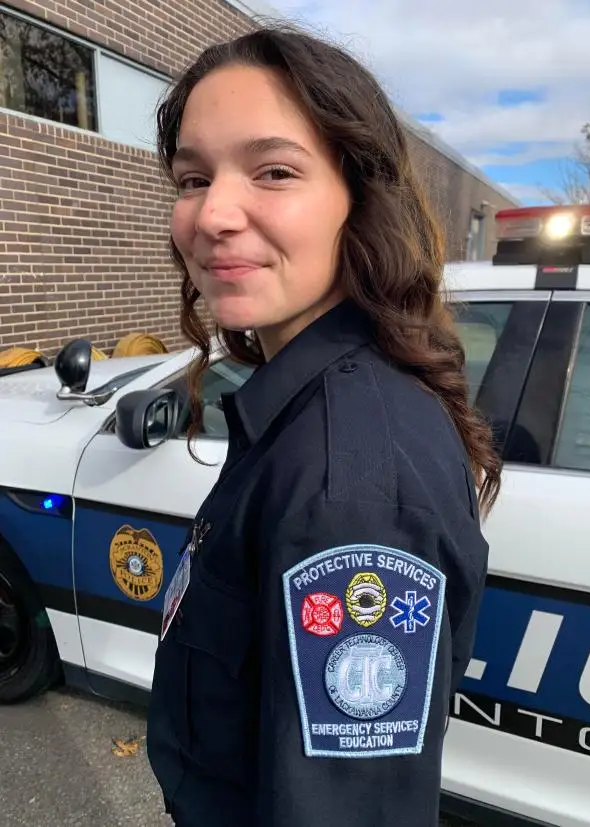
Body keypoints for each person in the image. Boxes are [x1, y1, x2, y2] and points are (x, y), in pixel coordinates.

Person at [146, 23, 501, 827]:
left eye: (273, 171)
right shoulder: (301, 406)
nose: (214, 215)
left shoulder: (347, 483)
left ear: (359, 197)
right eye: (192, 178)